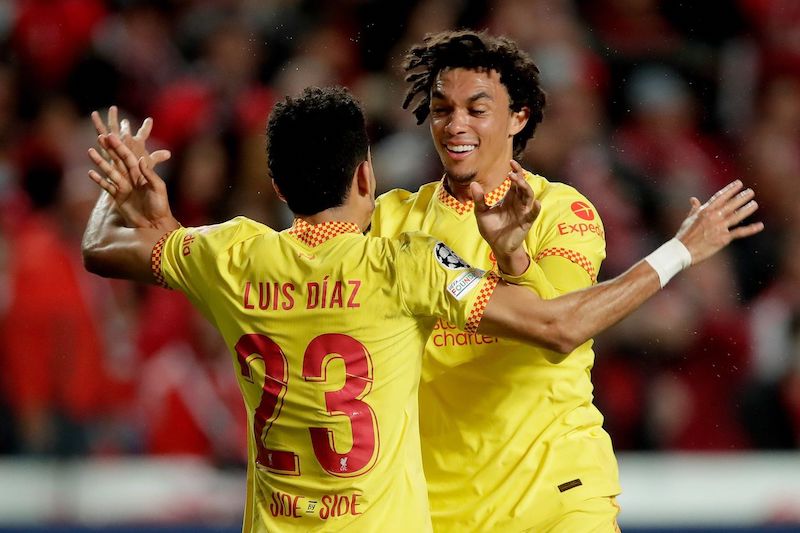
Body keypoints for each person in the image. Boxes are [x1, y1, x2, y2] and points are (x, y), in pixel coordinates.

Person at [82, 88, 760, 532]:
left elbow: (101, 247)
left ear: (278, 185)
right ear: (366, 177)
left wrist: (132, 196)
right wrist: (680, 250)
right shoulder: (404, 265)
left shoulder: (228, 256)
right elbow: (559, 325)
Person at [369, 29, 760, 531]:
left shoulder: (562, 211)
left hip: (557, 497)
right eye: (443, 109)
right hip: (437, 507)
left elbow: (561, 329)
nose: (455, 124)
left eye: (477, 108)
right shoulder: (389, 223)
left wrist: (514, 257)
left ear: (518, 117)